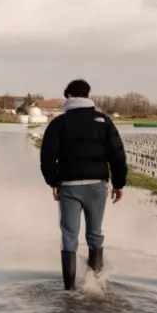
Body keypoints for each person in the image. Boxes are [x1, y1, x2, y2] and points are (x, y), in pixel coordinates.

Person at [39, 80, 128, 290]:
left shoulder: (59, 123)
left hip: (68, 185)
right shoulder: (103, 121)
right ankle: (95, 285)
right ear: (88, 95)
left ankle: (69, 290)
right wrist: (118, 183)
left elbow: (47, 155)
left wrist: (53, 181)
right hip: (96, 185)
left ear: (69, 96)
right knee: (95, 233)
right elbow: (117, 154)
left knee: (69, 236)